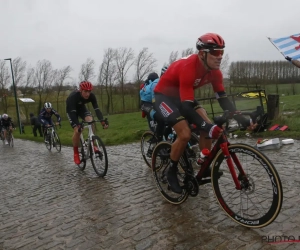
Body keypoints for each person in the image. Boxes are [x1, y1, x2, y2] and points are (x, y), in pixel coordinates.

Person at [153, 33, 257, 194]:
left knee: (206, 123)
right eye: (215, 52)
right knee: (185, 134)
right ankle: (171, 170)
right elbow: (187, 108)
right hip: (164, 97)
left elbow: (222, 99)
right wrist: (208, 127)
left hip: (182, 97)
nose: (220, 56)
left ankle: (205, 165)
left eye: (222, 52)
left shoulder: (215, 73)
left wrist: (241, 118)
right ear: (202, 53)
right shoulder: (189, 67)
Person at [66, 81, 109, 164]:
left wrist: (102, 121)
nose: (87, 94)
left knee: (91, 121)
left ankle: (92, 144)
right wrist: (78, 125)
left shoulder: (91, 96)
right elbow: (73, 113)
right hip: (71, 110)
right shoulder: (73, 97)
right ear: (80, 90)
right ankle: (75, 153)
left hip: (81, 108)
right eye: (85, 91)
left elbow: (97, 109)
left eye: (89, 91)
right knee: (77, 130)